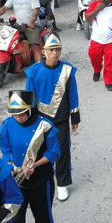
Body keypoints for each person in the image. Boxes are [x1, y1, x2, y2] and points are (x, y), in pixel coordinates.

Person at [25, 33, 81, 202]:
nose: (55, 53)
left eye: (57, 49)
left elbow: (73, 94)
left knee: (63, 152)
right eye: (51, 50)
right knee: (41, 151)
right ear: (43, 51)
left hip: (62, 118)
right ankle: (44, 178)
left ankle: (62, 183)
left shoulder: (67, 70)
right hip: (42, 120)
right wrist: (30, 120)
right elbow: (30, 97)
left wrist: (75, 117)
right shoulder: (34, 71)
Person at [0, 90, 59, 223]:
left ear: (30, 109)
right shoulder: (6, 125)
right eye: (15, 114)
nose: (18, 118)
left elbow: (53, 152)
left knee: (43, 218)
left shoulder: (45, 125)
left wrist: (34, 166)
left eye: (22, 114)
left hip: (41, 179)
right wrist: (9, 164)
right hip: (17, 181)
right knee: (15, 221)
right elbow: (6, 150)